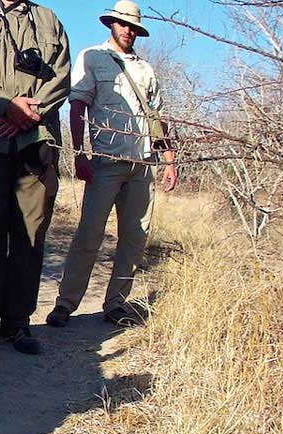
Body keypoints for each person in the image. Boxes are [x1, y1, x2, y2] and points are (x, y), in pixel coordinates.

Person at [46, 1, 177, 329]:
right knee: (89, 234)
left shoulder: (146, 69)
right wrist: (79, 154)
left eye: (133, 26)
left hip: (142, 164)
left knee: (134, 237)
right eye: (123, 24)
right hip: (105, 162)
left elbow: (158, 118)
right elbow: (77, 108)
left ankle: (116, 303)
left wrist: (169, 161)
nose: (128, 30)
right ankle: (65, 303)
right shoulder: (93, 58)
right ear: (111, 25)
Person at [0, 0, 71, 355]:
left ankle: (18, 322)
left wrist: (29, 113)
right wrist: (5, 104)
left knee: (31, 232)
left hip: (37, 141)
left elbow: (62, 77)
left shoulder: (49, 20)